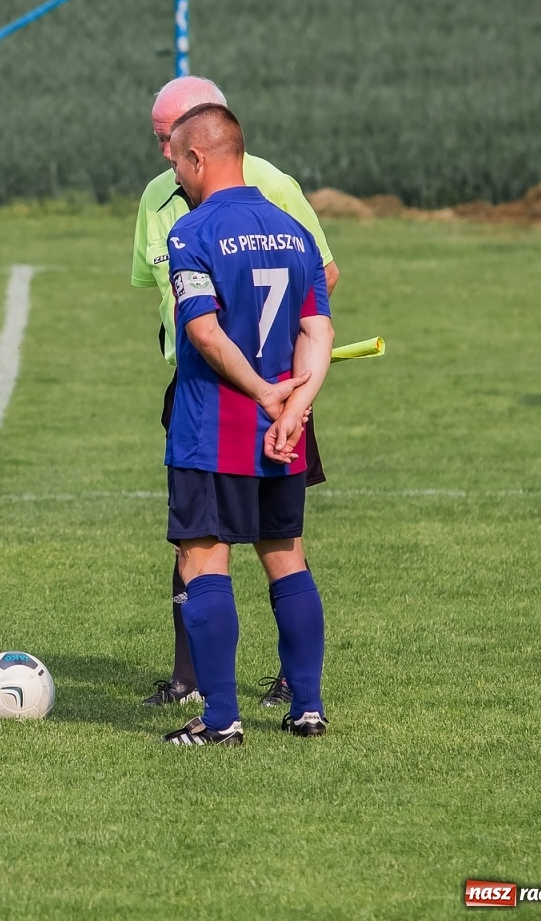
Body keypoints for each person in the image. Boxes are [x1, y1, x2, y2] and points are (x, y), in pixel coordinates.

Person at [130, 76, 340, 710]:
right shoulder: (293, 230)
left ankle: (219, 717)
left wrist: (262, 393)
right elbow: (319, 329)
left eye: (176, 156)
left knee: (204, 561)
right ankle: (307, 706)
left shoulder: (190, 234)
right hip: (284, 429)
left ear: (198, 157)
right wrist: (293, 404)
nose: (175, 171)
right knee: (286, 557)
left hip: (211, 422)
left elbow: (204, 332)